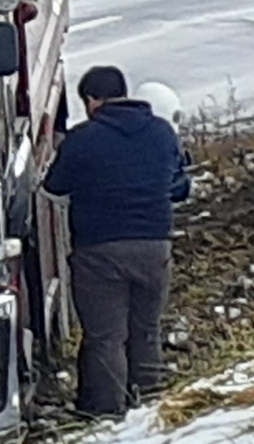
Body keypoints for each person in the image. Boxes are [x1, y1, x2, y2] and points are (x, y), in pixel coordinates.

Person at [42, 65, 192, 416]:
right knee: (147, 331)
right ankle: (150, 408)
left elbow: (53, 188)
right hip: (155, 246)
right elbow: (178, 185)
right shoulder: (161, 133)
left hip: (100, 250)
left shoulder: (84, 138)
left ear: (92, 100)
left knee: (106, 338)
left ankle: (107, 416)